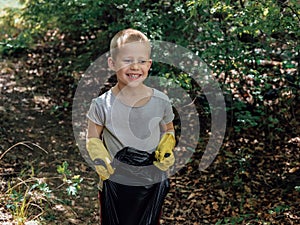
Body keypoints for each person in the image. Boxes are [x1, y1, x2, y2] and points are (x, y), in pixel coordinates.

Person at [86, 28, 176, 225]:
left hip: (150, 183)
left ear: (149, 65)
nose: (135, 67)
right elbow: (92, 137)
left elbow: (168, 129)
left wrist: (167, 146)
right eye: (127, 60)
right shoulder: (102, 104)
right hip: (114, 184)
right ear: (112, 63)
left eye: (142, 61)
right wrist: (99, 155)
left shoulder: (161, 101)